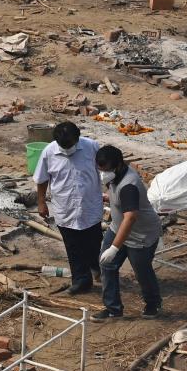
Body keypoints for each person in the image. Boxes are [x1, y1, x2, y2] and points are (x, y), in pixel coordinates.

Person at [92, 145, 163, 321]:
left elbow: (130, 218)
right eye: (100, 170)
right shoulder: (116, 175)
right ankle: (113, 309)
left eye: (105, 170)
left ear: (117, 165)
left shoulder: (129, 185)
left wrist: (115, 248)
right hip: (118, 227)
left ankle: (153, 303)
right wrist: (109, 197)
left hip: (141, 235)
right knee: (106, 265)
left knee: (142, 271)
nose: (103, 174)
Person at [33, 122, 103, 294]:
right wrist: (41, 202)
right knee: (73, 246)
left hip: (90, 207)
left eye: (70, 145)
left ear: (78, 138)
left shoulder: (92, 147)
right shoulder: (49, 152)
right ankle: (81, 280)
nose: (67, 150)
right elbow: (42, 179)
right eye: (63, 146)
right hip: (65, 208)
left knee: (94, 243)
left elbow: (105, 171)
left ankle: (96, 267)